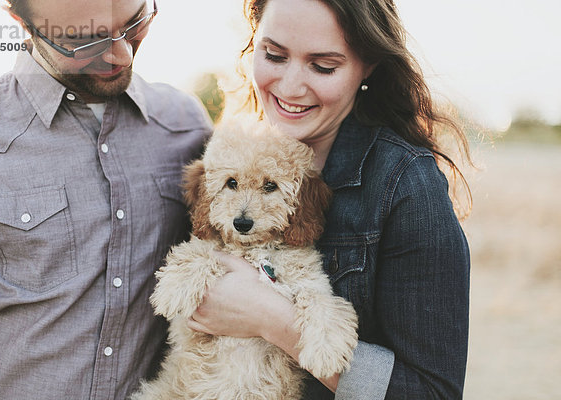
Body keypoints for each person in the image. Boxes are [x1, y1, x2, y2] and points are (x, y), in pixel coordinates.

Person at [186, 0, 471, 398]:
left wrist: (273, 320)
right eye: (273, 55)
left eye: (323, 66)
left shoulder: (407, 185)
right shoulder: (224, 154)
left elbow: (431, 392)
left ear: (367, 66)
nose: (289, 87)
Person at [0, 0, 211, 398]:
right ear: (21, 23)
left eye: (133, 24)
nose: (122, 53)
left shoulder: (186, 125)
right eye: (84, 40)